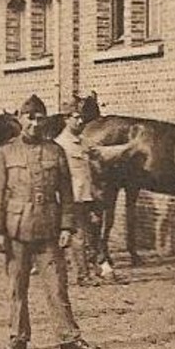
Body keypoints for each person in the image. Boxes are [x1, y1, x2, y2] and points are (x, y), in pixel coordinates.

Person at [0, 95, 100, 349]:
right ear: (20, 119)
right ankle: (18, 336)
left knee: (57, 287)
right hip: (16, 229)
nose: (35, 123)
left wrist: (66, 227)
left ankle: (68, 337)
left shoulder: (55, 151)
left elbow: (67, 194)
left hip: (49, 229)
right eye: (29, 118)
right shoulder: (4, 152)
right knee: (17, 286)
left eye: (39, 118)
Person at [51, 108, 114, 286]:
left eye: (82, 118)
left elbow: (100, 153)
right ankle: (82, 276)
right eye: (76, 118)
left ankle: (91, 270)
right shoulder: (60, 145)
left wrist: (129, 147)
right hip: (72, 198)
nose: (81, 122)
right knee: (78, 237)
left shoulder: (83, 141)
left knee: (87, 235)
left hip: (86, 196)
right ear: (66, 119)